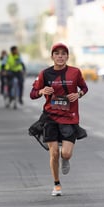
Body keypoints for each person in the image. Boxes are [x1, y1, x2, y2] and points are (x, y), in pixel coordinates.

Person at [30, 43, 88, 196]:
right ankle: (56, 184)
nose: (60, 56)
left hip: (69, 117)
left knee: (66, 154)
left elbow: (85, 88)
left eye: (63, 53)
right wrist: (42, 90)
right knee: (54, 152)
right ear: (52, 57)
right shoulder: (45, 74)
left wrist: (79, 94)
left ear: (67, 57)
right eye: (57, 53)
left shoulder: (75, 72)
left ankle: (65, 158)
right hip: (50, 117)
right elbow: (33, 93)